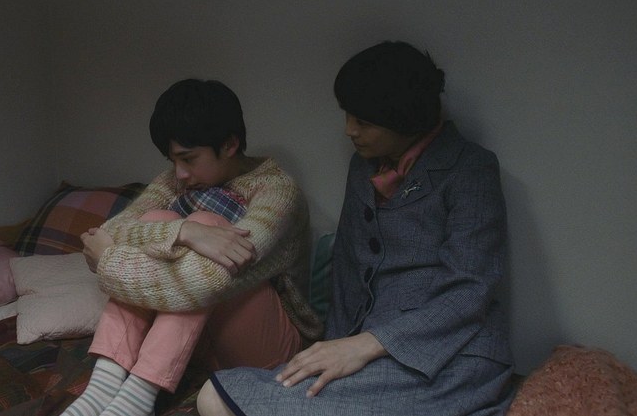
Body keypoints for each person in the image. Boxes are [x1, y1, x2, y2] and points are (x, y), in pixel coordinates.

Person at [197, 41, 516, 415]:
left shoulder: (470, 168)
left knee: (220, 401)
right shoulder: (363, 167)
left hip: (449, 356)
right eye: (348, 116)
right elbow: (348, 270)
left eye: (363, 122)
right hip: (367, 354)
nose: (349, 130)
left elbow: (469, 289)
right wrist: (332, 349)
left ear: (405, 118)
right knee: (217, 394)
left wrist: (365, 345)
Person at [61, 79, 323, 416]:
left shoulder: (277, 191)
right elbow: (111, 230)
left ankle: (138, 395)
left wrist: (108, 262)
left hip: (270, 352)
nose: (181, 173)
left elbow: (207, 280)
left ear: (230, 144)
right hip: (199, 343)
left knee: (209, 228)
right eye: (173, 160)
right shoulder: (175, 180)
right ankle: (102, 387)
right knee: (157, 218)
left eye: (189, 158)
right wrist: (184, 231)